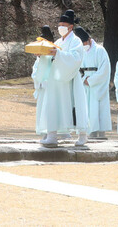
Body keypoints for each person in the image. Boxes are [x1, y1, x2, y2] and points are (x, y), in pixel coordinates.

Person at [39, 10, 89, 147]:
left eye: (63, 24)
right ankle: (52, 135)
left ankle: (83, 135)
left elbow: (76, 58)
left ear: (71, 27)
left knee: (76, 105)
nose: (60, 27)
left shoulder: (76, 41)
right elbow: (51, 57)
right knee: (53, 104)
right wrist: (42, 55)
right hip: (56, 79)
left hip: (71, 78)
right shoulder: (57, 41)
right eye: (59, 24)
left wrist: (58, 54)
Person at [77, 27, 111, 139]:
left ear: (90, 39)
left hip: (97, 84)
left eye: (85, 42)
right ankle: (89, 131)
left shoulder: (100, 50)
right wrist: (83, 79)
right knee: (87, 107)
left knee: (99, 107)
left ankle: (101, 132)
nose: (84, 45)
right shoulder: (80, 51)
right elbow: (77, 68)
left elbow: (104, 70)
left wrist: (91, 80)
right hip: (85, 83)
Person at [31, 25, 56, 140]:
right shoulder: (39, 58)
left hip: (50, 88)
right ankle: (43, 134)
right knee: (41, 111)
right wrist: (38, 81)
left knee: (49, 111)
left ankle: (50, 133)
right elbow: (35, 72)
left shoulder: (53, 56)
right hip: (41, 88)